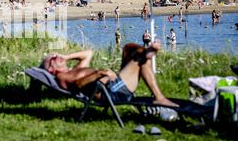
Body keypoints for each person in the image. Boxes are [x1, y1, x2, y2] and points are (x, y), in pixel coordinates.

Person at [41, 42, 178, 107]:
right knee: (140, 58)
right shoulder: (62, 77)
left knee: (128, 48)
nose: (57, 57)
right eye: (53, 59)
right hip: (113, 92)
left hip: (113, 85)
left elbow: (88, 53)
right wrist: (100, 73)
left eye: (57, 55)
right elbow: (78, 84)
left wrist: (65, 56)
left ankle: (146, 53)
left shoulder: (74, 70)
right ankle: (159, 97)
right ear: (51, 70)